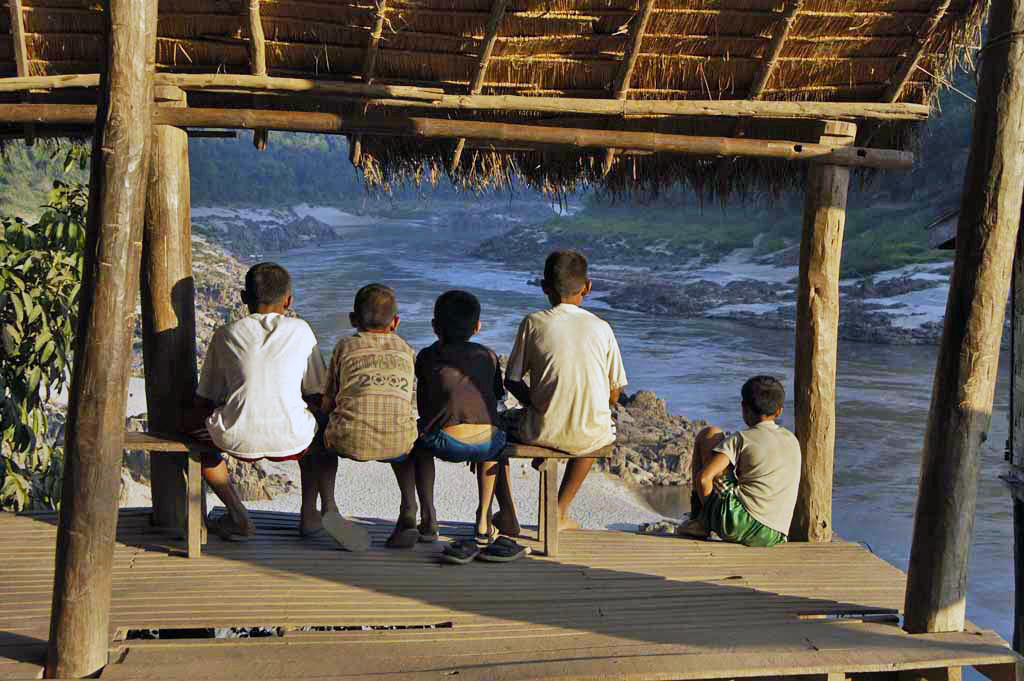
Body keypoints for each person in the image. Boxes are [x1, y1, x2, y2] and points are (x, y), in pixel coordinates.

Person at [184, 262, 328, 541]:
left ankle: (238, 513)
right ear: (289, 301)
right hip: (293, 439)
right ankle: (310, 514)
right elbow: (314, 392)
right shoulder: (301, 330)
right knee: (318, 437)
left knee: (199, 442)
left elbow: (206, 397)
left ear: (243, 297)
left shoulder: (225, 334)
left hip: (235, 438)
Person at [504, 250, 628, 531]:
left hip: (541, 429)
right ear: (588, 286)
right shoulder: (602, 327)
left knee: (499, 428)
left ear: (544, 287)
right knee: (594, 434)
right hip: (589, 435)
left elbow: (511, 380)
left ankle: (507, 511)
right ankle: (559, 511)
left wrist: (536, 403)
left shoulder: (534, 322)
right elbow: (614, 394)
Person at [320, 283, 420, 549]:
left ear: (353, 320)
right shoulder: (407, 351)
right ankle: (409, 507)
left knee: (321, 440)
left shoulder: (344, 346)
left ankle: (329, 506)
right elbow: (409, 397)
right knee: (406, 444)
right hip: (398, 442)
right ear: (396, 322)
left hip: (349, 440)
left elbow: (329, 397)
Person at [413, 290, 518, 544]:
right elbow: (496, 398)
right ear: (477, 327)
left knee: (419, 447)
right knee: (494, 449)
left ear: (435, 327)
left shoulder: (427, 356)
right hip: (487, 442)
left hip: (444, 440)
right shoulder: (489, 356)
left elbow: (425, 402)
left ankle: (428, 517)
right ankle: (483, 520)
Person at [678, 375, 800, 548]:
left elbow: (703, 479)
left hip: (739, 524)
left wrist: (711, 515)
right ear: (779, 411)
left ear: (744, 408)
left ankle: (699, 521)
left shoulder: (742, 439)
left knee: (710, 435)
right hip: (777, 534)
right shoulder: (793, 440)